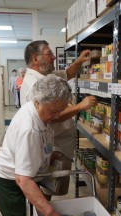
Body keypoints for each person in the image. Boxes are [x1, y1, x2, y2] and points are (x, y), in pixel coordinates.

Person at [0, 74, 72, 216]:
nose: (56, 116)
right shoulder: (30, 128)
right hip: (8, 181)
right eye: (53, 111)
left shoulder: (38, 112)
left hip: (26, 176)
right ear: (37, 101)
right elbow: (23, 180)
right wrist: (53, 215)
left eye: (60, 111)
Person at [20, 40, 97, 197]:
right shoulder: (35, 84)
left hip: (58, 145)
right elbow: (51, 117)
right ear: (35, 58)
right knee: (48, 189)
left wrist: (79, 61)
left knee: (50, 188)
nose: (54, 57)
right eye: (49, 54)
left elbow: (67, 74)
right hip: (54, 148)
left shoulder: (47, 76)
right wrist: (80, 106)